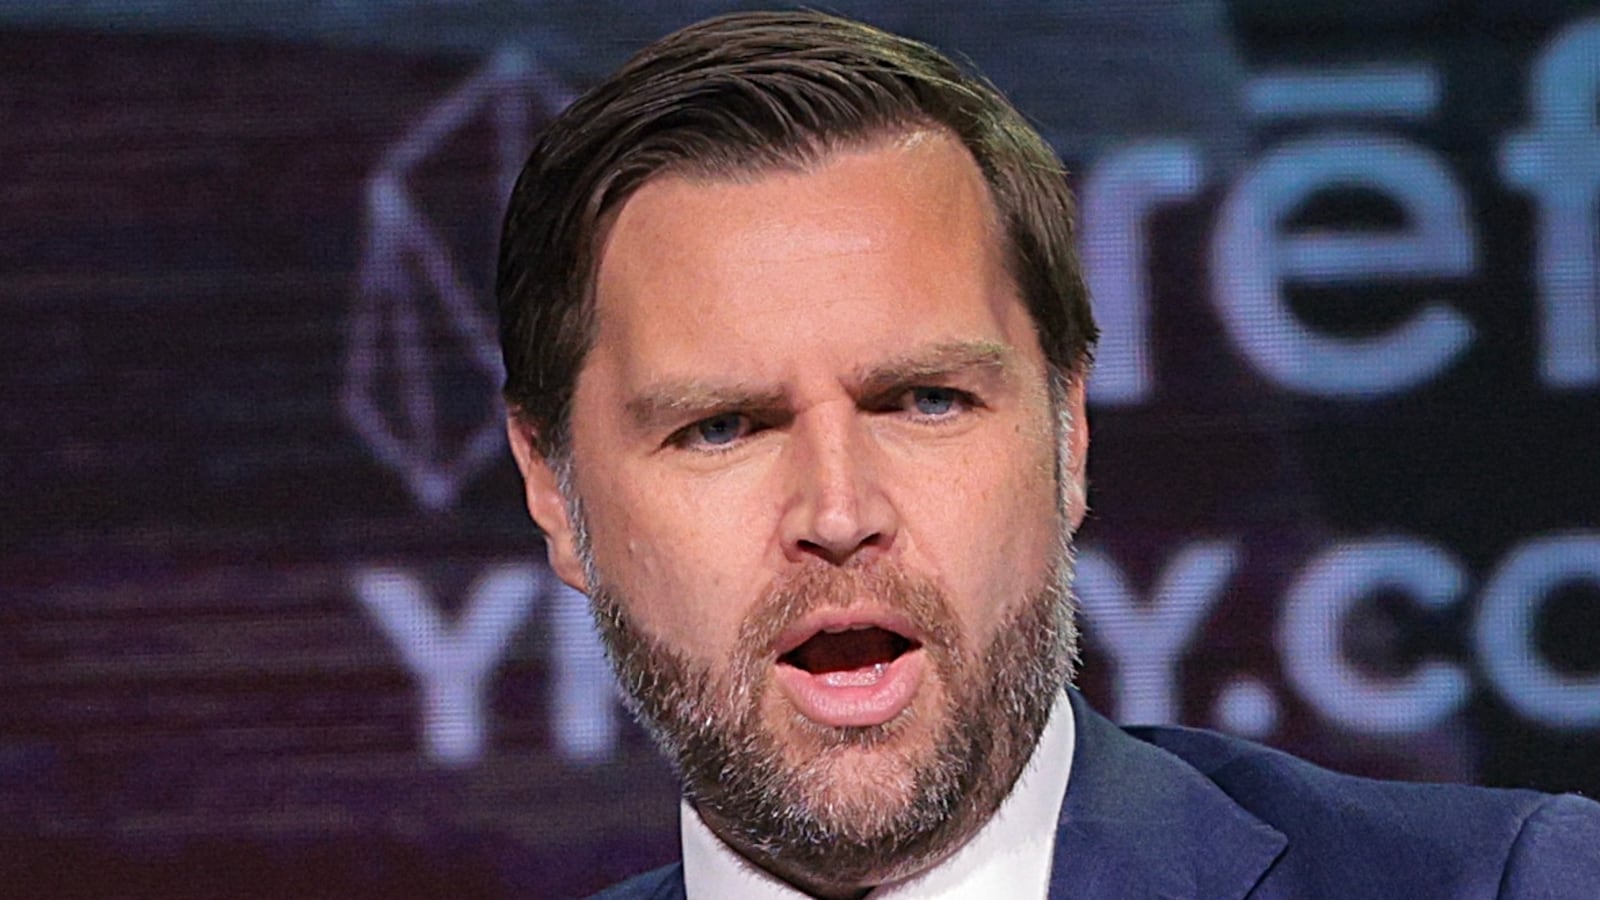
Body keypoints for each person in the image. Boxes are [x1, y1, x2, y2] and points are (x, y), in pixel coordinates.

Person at [497, 10, 1600, 899]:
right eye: (722, 427)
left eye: (926, 400)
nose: (838, 511)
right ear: (553, 489)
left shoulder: (1510, 882)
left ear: (1067, 430)